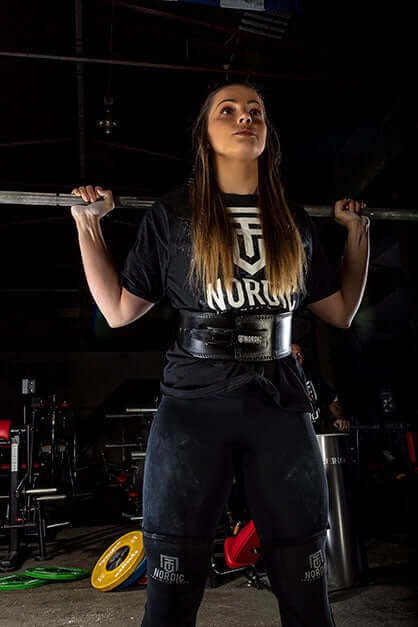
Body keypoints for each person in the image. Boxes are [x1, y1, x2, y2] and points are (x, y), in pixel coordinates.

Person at [70, 79, 370, 627]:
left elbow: (342, 310)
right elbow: (117, 309)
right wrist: (88, 224)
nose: (244, 118)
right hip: (193, 407)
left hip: (280, 405)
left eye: (255, 111)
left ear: (267, 132)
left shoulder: (294, 220)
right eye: (227, 111)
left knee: (308, 599)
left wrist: (357, 233)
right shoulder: (174, 214)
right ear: (205, 135)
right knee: (170, 599)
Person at [291, 343, 351, 433]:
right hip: (292, 435)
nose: (297, 357)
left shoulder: (313, 377)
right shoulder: (278, 381)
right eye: (292, 355)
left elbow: (331, 399)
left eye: (299, 354)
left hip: (314, 434)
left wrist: (338, 419)